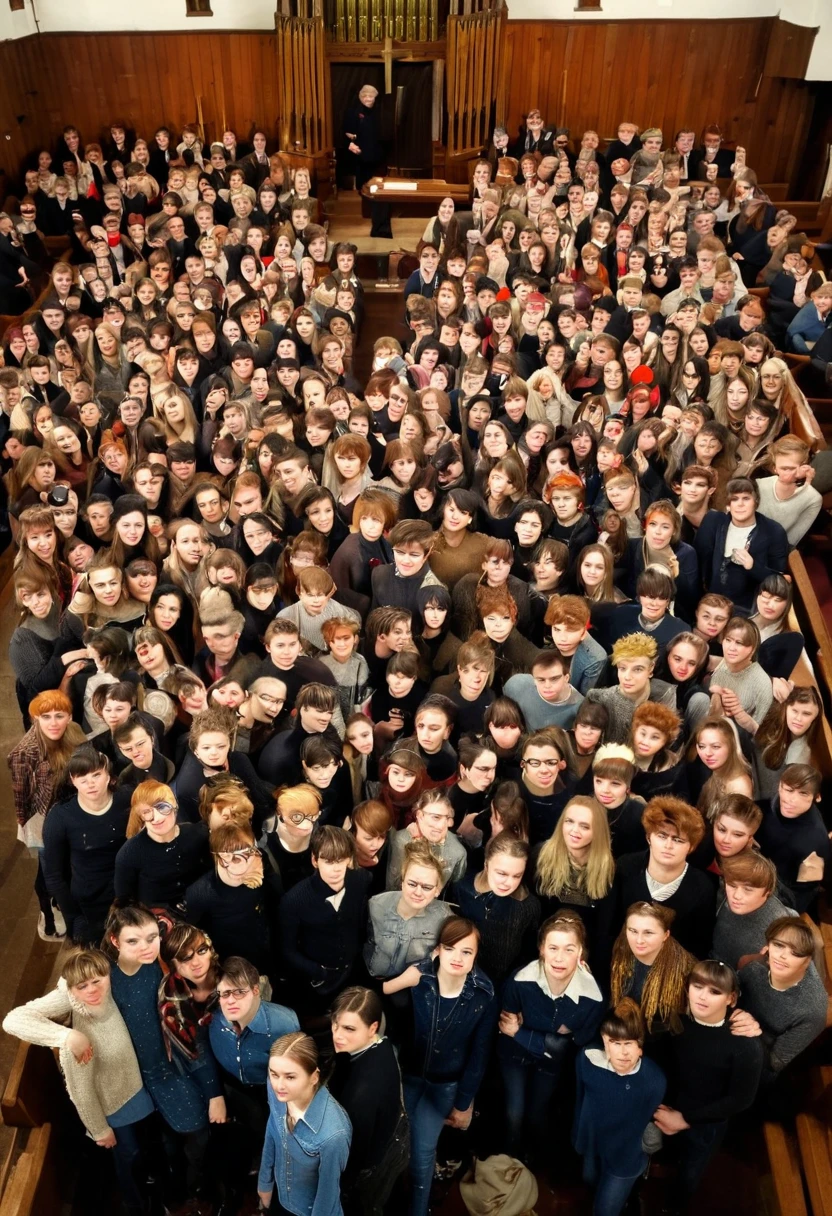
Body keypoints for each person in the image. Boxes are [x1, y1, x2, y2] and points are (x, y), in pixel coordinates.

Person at [3, 947, 156, 1216]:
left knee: (141, 1150)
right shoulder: (76, 1040)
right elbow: (81, 1094)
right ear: (71, 991)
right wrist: (99, 1130)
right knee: (127, 1157)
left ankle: (147, 1187)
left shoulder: (108, 991)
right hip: (112, 1105)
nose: (92, 990)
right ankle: (136, 1205)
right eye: (82, 986)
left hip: (135, 1087)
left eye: (97, 981)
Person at [383, 916, 497, 1216]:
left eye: (467, 952)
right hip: (406, 1076)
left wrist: (463, 1102)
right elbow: (380, 1002)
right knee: (392, 1148)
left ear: (476, 956)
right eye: (450, 948)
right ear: (438, 950)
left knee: (422, 1155)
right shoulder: (419, 978)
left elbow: (479, 1054)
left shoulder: (484, 993)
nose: (457, 958)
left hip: (444, 1086)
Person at [499, 913, 604, 1166]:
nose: (559, 958)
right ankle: (510, 1162)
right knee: (514, 1113)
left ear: (581, 953)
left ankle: (534, 1160)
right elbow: (506, 1028)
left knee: (538, 1114)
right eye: (553, 948)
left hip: (550, 1065)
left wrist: (523, 1033)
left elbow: (573, 1045)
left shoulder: (592, 996)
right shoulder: (520, 981)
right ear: (541, 949)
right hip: (514, 1054)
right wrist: (552, 1037)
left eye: (569, 949)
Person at [655, 960, 763, 1206]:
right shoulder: (675, 1022)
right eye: (698, 986)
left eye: (715, 991)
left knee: (690, 1172)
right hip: (667, 1108)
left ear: (731, 998)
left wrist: (685, 1119)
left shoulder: (745, 1045)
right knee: (667, 1155)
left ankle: (674, 1208)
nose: (702, 997)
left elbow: (740, 1100)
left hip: (705, 1123)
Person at [573, 998, 666, 1216]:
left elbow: (651, 1121)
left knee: (604, 1211)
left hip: (627, 1157)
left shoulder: (654, 1080)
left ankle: (629, 1196)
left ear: (640, 1046)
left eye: (629, 1043)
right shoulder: (587, 1061)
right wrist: (579, 1137)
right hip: (593, 1146)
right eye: (615, 1042)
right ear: (604, 1042)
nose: (623, 1053)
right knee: (590, 1181)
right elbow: (580, 1100)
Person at [328, 987, 410, 1216]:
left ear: (373, 1027)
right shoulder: (381, 1043)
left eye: (349, 1028)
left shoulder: (360, 1096)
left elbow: (354, 1157)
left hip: (374, 1162)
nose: (337, 1035)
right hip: (391, 1132)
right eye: (335, 1024)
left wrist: (339, 1186)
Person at [42, 744, 131, 945]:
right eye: (82, 778)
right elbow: (54, 875)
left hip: (128, 894)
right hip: (90, 901)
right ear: (73, 781)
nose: (90, 784)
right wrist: (73, 918)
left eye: (96, 775)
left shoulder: (126, 799)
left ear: (108, 776)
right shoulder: (60, 817)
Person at [258, 1031, 352, 1216]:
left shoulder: (334, 1134)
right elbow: (272, 1128)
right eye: (274, 1074)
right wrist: (265, 1182)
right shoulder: (277, 1091)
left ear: (314, 1077)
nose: (279, 1085)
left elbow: (328, 1195)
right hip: (280, 1196)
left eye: (290, 1077)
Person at [279, 825, 372, 1013]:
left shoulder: (361, 880)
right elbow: (287, 950)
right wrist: (318, 971)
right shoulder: (294, 900)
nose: (336, 869)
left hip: (353, 971)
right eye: (328, 861)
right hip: (317, 980)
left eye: (341, 860)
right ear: (315, 860)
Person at [712, 852, 794, 969]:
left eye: (748, 889)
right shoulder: (721, 897)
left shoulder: (781, 931)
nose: (737, 895)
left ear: (767, 891)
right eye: (732, 885)